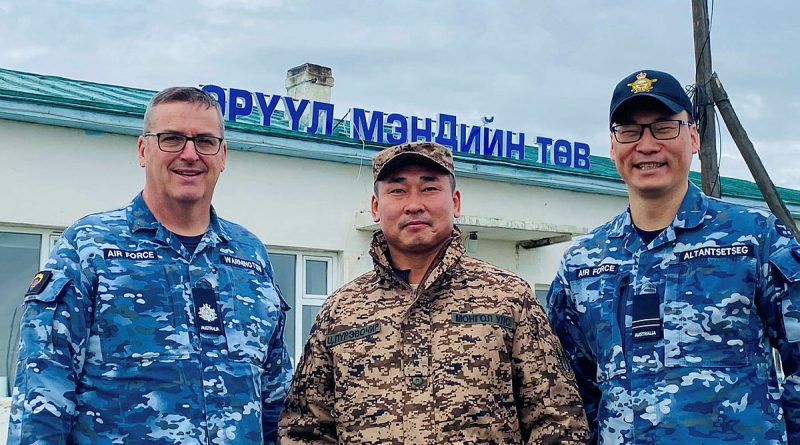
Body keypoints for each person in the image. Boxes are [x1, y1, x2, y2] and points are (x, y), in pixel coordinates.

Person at [8, 87, 293, 444]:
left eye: (205, 141)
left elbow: (277, 400)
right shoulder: (89, 246)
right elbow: (42, 396)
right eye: (172, 138)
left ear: (222, 155)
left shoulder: (250, 256)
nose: (190, 154)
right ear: (143, 150)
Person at [547, 69, 800, 444]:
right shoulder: (582, 264)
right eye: (629, 131)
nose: (647, 145)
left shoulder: (756, 239)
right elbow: (571, 390)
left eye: (664, 127)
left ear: (694, 137)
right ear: (613, 147)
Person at [278, 141, 589, 444]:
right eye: (397, 190)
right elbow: (304, 429)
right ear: (375, 207)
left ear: (455, 202)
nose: (414, 204)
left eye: (429, 188)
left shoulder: (509, 298)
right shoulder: (340, 311)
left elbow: (559, 420)